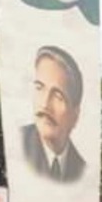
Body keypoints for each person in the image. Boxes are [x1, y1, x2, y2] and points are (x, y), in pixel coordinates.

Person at [20, 45, 87, 182]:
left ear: (75, 115)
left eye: (58, 96)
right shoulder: (17, 146)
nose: (45, 104)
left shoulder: (82, 170)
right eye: (40, 88)